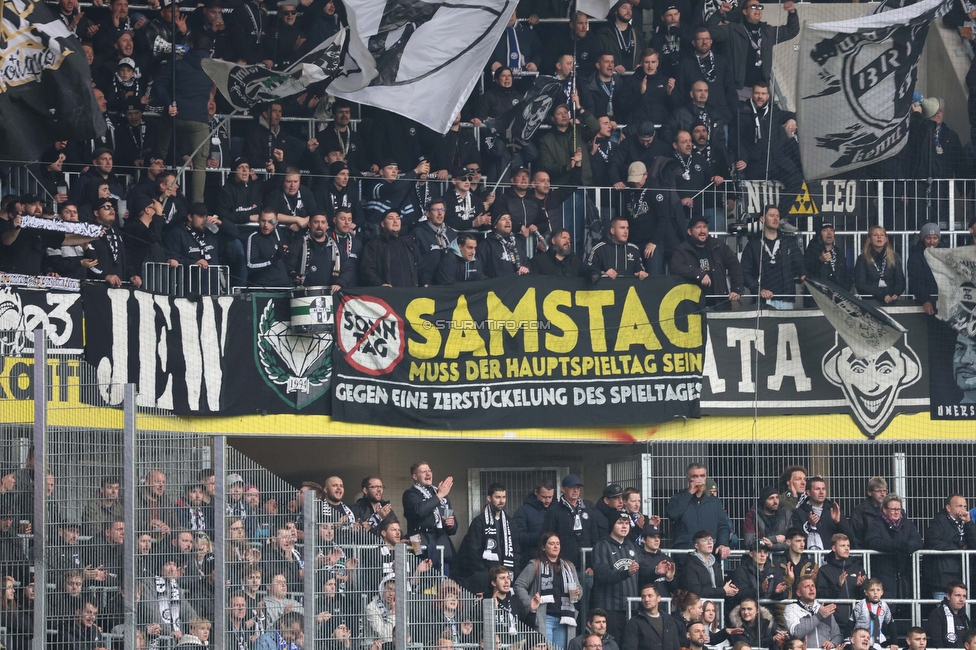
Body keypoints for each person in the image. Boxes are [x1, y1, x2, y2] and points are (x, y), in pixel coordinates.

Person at [153, 33, 214, 204]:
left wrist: (168, 103)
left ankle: (155, 191)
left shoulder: (178, 64)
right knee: (200, 166)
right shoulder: (212, 67)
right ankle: (198, 205)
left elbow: (159, 83)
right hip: (199, 120)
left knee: (160, 156)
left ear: (191, 46)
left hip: (175, 115)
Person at [705, 0, 799, 97]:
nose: (758, 9)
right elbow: (709, 32)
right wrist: (720, 12)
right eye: (753, 7)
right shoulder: (732, 30)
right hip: (738, 89)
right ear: (745, 11)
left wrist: (792, 12)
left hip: (760, 90)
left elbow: (791, 31)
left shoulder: (767, 31)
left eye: (760, 7)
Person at [515, 533, 582, 650]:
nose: (556, 546)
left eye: (558, 544)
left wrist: (577, 593)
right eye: (551, 544)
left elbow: (579, 589)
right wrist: (530, 604)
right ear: (543, 547)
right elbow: (519, 585)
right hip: (544, 617)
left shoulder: (569, 566)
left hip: (564, 618)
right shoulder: (535, 564)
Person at [671, 215, 744, 307]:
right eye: (698, 227)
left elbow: (735, 266)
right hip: (693, 306)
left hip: (720, 303)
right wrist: (699, 274)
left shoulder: (719, 245)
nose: (702, 231)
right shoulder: (682, 249)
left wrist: (736, 289)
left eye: (704, 227)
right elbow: (675, 268)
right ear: (689, 231)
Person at [741, 205, 806, 309]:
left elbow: (800, 264)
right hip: (763, 301)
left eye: (777, 216)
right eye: (771, 215)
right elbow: (744, 273)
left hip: (786, 300)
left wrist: (803, 275)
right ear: (762, 219)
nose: (776, 219)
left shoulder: (789, 242)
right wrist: (759, 290)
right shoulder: (753, 245)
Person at [457, 483, 517, 593]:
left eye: (503, 497)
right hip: (485, 577)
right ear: (489, 498)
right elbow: (473, 551)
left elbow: (516, 549)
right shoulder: (479, 522)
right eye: (498, 497)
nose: (501, 501)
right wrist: (484, 574)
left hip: (505, 577)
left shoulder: (509, 522)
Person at [402, 462, 458, 575]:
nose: (428, 474)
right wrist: (439, 495)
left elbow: (452, 527)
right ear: (415, 476)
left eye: (429, 471)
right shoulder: (410, 494)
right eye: (423, 471)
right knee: (422, 582)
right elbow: (420, 511)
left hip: (441, 541)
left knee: (443, 583)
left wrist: (451, 524)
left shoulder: (441, 493)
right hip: (418, 540)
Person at [863, 493, 922, 600]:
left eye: (899, 509)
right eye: (893, 509)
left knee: (906, 610)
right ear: (885, 510)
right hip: (884, 573)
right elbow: (872, 541)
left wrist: (908, 546)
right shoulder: (876, 524)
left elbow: (918, 541)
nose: (896, 512)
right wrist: (895, 545)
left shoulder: (907, 524)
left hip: (904, 574)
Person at [591, 513, 640, 641]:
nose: (624, 526)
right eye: (620, 522)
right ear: (612, 525)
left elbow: (642, 571)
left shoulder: (633, 546)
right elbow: (602, 574)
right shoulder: (602, 546)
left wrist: (657, 571)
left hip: (631, 608)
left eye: (626, 523)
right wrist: (626, 573)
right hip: (610, 609)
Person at [666, 463, 731, 556]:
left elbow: (723, 526)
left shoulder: (714, 501)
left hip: (709, 553)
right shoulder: (678, 498)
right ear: (688, 478)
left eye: (702, 476)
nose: (699, 479)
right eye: (695, 476)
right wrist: (690, 493)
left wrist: (723, 544)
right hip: (686, 552)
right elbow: (672, 514)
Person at [360, 211, 429, 287]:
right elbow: (367, 269)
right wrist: (380, 285)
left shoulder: (410, 244)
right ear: (383, 224)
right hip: (387, 295)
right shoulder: (374, 245)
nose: (395, 221)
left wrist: (425, 282)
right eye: (391, 218)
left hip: (411, 295)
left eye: (398, 218)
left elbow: (421, 268)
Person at [925, 495, 976, 598]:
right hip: (942, 579)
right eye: (959, 506)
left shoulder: (966, 522)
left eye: (965, 506)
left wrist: (969, 522)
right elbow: (934, 542)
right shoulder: (939, 521)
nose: (963, 509)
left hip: (962, 577)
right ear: (948, 508)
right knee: (944, 612)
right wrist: (958, 548)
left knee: (962, 612)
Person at [816, 533, 866, 635]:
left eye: (848, 546)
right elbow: (821, 595)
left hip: (857, 622)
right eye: (843, 546)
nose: (847, 549)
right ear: (834, 548)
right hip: (834, 623)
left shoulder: (858, 569)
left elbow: (864, 596)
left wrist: (860, 586)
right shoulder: (824, 570)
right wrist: (838, 585)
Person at [543, 474, 598, 566]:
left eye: (578, 487)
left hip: (586, 565)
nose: (575, 490)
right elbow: (547, 537)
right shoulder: (554, 511)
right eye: (572, 487)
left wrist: (592, 565)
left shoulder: (588, 510)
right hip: (561, 565)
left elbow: (595, 538)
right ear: (563, 489)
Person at [614, 49, 673, 128]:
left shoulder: (666, 81)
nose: (650, 66)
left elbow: (674, 107)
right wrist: (640, 93)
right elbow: (622, 107)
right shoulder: (630, 81)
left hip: (660, 129)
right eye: (647, 62)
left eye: (653, 62)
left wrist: (670, 94)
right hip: (636, 130)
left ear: (658, 63)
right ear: (641, 63)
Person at [292, 213, 351, 291]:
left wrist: (339, 283)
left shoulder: (338, 247)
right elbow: (289, 267)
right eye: (316, 222)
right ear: (309, 224)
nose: (320, 226)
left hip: (331, 294)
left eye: (323, 222)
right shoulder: (299, 245)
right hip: (303, 294)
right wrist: (294, 276)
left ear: (327, 225)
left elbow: (347, 269)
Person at [783, 576, 843, 650]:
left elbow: (837, 635)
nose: (811, 589)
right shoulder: (791, 609)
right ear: (798, 593)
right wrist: (818, 616)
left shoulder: (824, 609)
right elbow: (796, 633)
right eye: (806, 587)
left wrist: (833, 643)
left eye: (813, 586)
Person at [585, 217, 649, 282]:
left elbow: (640, 269)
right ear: (612, 231)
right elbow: (588, 269)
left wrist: (641, 273)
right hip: (607, 290)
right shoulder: (599, 249)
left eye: (627, 228)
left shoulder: (634, 249)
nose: (626, 231)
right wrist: (603, 274)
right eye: (622, 228)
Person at [854, 226, 905, 304]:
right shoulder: (862, 258)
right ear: (869, 239)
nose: (879, 237)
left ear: (886, 239)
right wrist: (881, 295)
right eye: (875, 235)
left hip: (891, 301)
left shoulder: (894, 257)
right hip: (870, 302)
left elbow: (900, 281)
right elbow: (860, 284)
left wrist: (895, 293)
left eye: (882, 235)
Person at [621, 584, 681, 650]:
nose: (646, 599)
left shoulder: (669, 621)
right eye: (643, 597)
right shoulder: (634, 623)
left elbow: (676, 646)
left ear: (658, 598)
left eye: (650, 596)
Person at [513, 479, 555, 573]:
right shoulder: (523, 511)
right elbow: (518, 537)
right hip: (530, 561)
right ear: (536, 492)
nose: (547, 500)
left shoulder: (556, 510)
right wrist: (542, 537)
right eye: (544, 497)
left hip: (554, 562)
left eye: (550, 497)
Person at [413, 199, 458, 280]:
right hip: (429, 283)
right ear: (427, 213)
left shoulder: (452, 234)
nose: (440, 213)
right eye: (435, 210)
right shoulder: (418, 233)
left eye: (442, 210)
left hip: (451, 282)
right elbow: (416, 262)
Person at [731, 540, 787, 604]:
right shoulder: (741, 570)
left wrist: (778, 593)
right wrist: (760, 590)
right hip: (747, 610)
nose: (762, 555)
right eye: (759, 552)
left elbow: (785, 594)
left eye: (765, 552)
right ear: (751, 554)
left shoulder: (774, 570)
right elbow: (740, 593)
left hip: (769, 610)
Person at [246, 208, 291, 287]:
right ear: (259, 221)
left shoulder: (278, 237)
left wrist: (292, 273)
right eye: (263, 221)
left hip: (283, 286)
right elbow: (251, 264)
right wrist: (273, 259)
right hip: (264, 287)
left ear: (276, 223)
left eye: (270, 222)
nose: (266, 225)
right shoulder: (254, 237)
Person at [803, 221, 853, 292]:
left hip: (837, 297)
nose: (829, 233)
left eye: (831, 230)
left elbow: (846, 274)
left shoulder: (839, 252)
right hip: (818, 296)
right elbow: (807, 270)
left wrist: (843, 291)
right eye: (825, 230)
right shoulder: (812, 250)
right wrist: (820, 260)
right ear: (819, 235)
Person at [478, 213, 531, 278]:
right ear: (495, 225)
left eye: (509, 219)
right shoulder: (486, 245)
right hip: (497, 286)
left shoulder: (518, 243)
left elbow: (526, 263)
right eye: (503, 219)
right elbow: (479, 271)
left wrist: (526, 269)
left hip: (517, 284)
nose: (508, 221)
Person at [598, 1, 645, 73]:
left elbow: (643, 54)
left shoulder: (637, 34)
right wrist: (614, 65)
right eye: (624, 7)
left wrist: (641, 64)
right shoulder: (605, 34)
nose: (628, 11)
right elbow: (599, 56)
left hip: (633, 78)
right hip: (613, 77)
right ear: (616, 11)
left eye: (630, 8)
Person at [850, 579, 898, 650]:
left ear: (882, 592)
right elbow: (851, 622)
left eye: (878, 590)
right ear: (866, 592)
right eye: (872, 590)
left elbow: (891, 624)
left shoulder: (884, 605)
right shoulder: (861, 605)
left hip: (878, 640)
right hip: (862, 640)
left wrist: (894, 642)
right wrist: (847, 640)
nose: (875, 593)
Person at [908, 223, 942, 314]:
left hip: (944, 300)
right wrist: (925, 300)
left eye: (935, 238)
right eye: (928, 238)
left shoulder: (944, 254)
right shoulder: (916, 256)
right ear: (923, 239)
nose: (932, 242)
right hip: (926, 301)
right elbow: (916, 280)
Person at [925, 581, 970, 648]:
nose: (961, 599)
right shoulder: (937, 614)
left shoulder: (964, 616)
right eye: (958, 595)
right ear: (948, 596)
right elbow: (937, 641)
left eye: (964, 596)